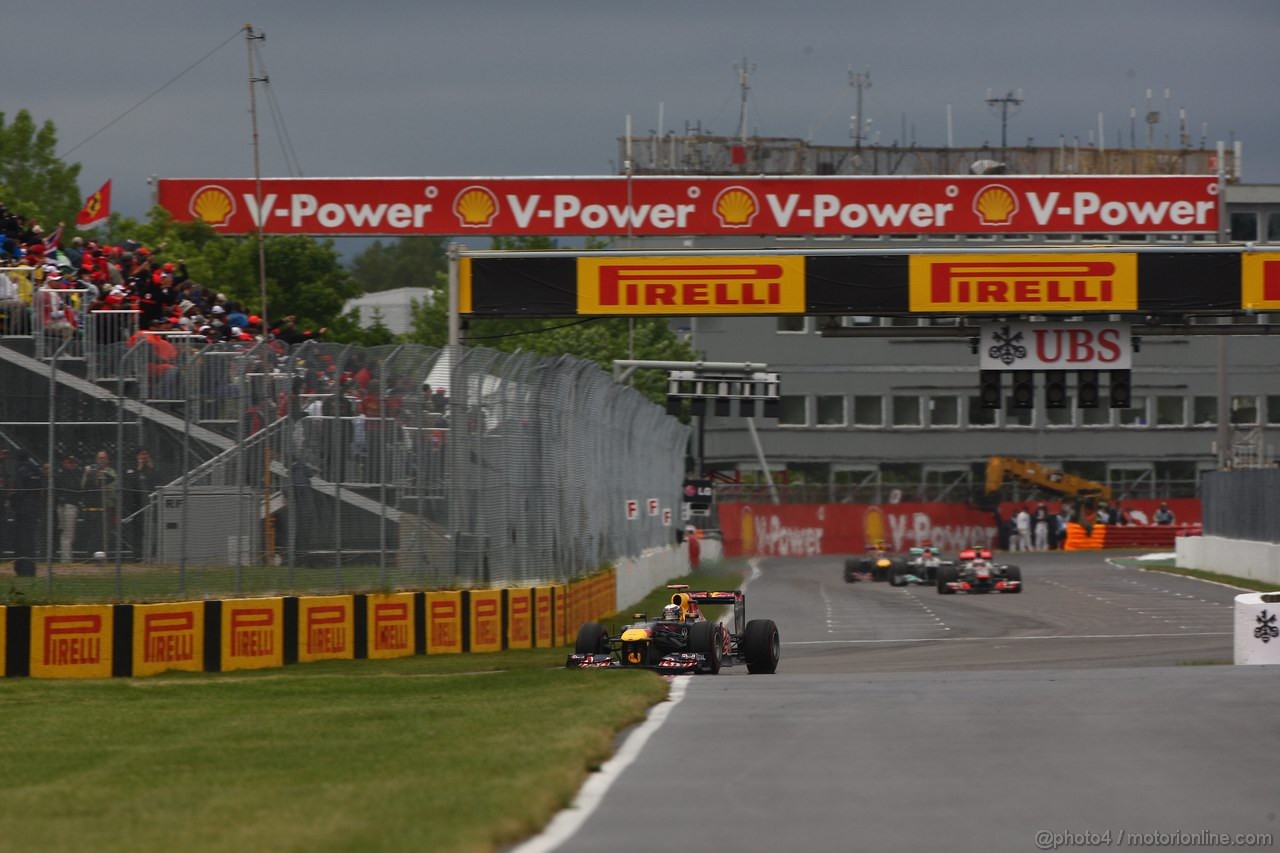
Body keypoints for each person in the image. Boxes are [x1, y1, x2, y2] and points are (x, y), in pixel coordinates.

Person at [122, 449, 159, 557]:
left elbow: (159, 483)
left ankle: (152, 555)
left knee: (152, 532)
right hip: (137, 508)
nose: (145, 457)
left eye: (146, 454)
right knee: (137, 533)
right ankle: (137, 556)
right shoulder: (132, 469)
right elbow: (129, 484)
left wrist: (152, 469)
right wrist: (138, 469)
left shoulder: (151, 470)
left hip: (151, 507)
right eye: (142, 454)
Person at [81, 450, 118, 556]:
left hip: (108, 506)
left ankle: (102, 555)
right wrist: (88, 475)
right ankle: (91, 555)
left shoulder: (111, 472)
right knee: (95, 532)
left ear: (107, 460)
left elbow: (114, 486)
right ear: (97, 460)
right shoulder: (91, 471)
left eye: (104, 458)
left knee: (106, 533)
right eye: (100, 458)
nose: (102, 460)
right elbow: (84, 486)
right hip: (95, 506)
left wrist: (102, 486)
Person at [10, 449, 44, 560]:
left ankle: (23, 559)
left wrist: (14, 502)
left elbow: (20, 490)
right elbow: (40, 487)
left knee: (23, 535)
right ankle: (31, 557)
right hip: (34, 505)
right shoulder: (35, 470)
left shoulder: (21, 470)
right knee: (31, 534)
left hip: (23, 507)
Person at [53, 453, 83, 561]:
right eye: (69, 462)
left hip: (72, 505)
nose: (71, 464)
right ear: (64, 462)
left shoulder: (76, 474)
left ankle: (66, 557)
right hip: (65, 506)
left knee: (68, 534)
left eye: (73, 462)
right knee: (66, 534)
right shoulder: (60, 475)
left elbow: (79, 489)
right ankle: (66, 559)